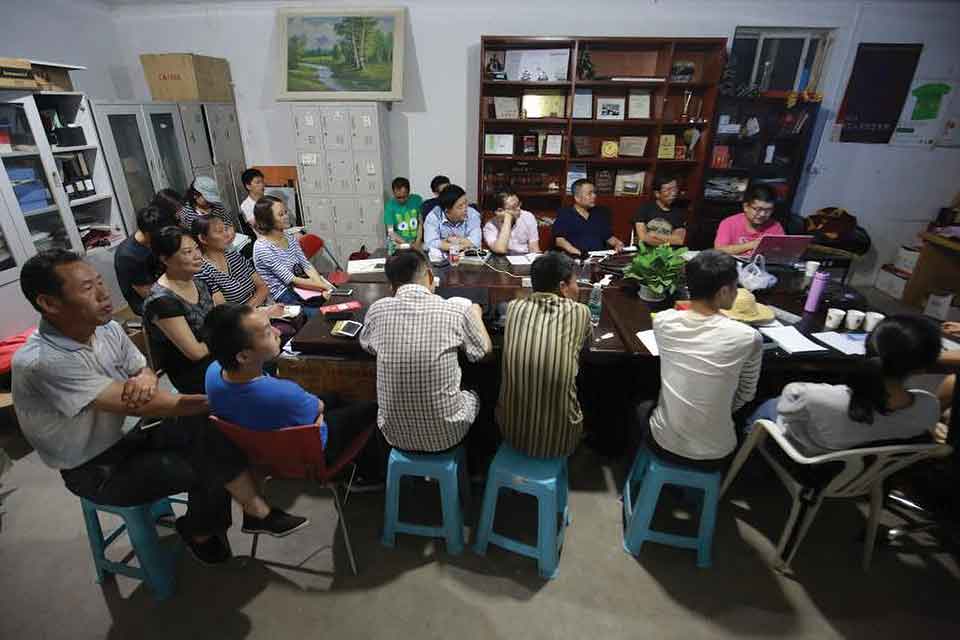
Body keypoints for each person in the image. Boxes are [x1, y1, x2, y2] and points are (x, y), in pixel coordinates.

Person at [11, 250, 308, 566]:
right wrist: (229, 398)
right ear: (49, 303)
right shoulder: (43, 361)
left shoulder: (106, 328)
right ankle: (198, 531)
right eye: (87, 288)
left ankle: (255, 512)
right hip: (95, 465)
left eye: (99, 281)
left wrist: (145, 376)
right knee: (203, 465)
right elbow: (142, 404)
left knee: (218, 430)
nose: (103, 293)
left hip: (133, 434)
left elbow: (142, 369)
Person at [203, 304, 386, 486]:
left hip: (261, 447)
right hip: (313, 451)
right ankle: (368, 475)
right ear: (243, 357)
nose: (278, 332)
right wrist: (317, 414)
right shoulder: (283, 393)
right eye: (267, 332)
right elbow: (319, 408)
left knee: (334, 396)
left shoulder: (212, 373)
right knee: (372, 408)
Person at [359, 249, 492, 453]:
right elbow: (483, 353)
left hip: (393, 434)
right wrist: (476, 314)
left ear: (391, 287)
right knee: (478, 387)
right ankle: (479, 461)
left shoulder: (377, 310)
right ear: (430, 276)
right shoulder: (457, 310)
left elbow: (367, 344)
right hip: (448, 434)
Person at [749, 315, 944, 454]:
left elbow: (786, 411)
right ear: (923, 368)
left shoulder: (809, 395)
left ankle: (747, 447)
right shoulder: (929, 406)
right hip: (862, 472)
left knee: (769, 405)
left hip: (808, 455)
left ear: (868, 345)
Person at [640, 250, 762, 468]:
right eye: (736, 287)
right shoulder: (747, 337)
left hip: (664, 442)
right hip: (716, 452)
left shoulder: (663, 321)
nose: (737, 292)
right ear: (723, 291)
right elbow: (746, 393)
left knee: (643, 407)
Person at [497, 252, 591, 457]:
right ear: (563, 287)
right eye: (576, 282)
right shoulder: (581, 312)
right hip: (560, 442)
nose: (578, 288)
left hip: (510, 433)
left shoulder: (513, 308)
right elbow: (586, 343)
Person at [143, 227, 225, 394]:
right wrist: (228, 336)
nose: (197, 255)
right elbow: (196, 353)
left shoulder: (198, 281)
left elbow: (221, 317)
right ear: (165, 259)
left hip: (216, 351)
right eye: (188, 252)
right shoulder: (161, 301)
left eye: (196, 248)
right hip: (192, 371)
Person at [252, 195, 333, 308]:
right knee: (321, 310)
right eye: (281, 214)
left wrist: (321, 285)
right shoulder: (262, 248)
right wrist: (322, 287)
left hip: (300, 286)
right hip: (283, 294)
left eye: (286, 212)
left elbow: (306, 264)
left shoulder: (289, 237)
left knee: (332, 299)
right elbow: (291, 279)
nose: (286, 216)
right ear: (267, 220)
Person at [193, 215, 276, 309]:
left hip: (261, 308)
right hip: (239, 316)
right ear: (202, 238)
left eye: (225, 229)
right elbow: (223, 310)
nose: (227, 234)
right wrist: (248, 312)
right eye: (219, 231)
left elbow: (263, 286)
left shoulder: (234, 255)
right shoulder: (203, 271)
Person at [114, 204, 177, 315]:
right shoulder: (128, 256)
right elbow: (147, 293)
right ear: (148, 234)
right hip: (149, 301)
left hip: (167, 284)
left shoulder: (154, 240)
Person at [553, 179, 625, 257]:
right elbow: (560, 241)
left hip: (599, 257)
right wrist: (579, 254)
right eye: (589, 193)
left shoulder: (600, 213)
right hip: (575, 258)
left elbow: (608, 237)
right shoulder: (565, 214)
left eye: (594, 192)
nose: (594, 196)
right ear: (577, 198)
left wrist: (618, 244)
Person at [714, 185, 785, 256]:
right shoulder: (729, 223)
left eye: (768, 210)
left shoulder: (775, 226)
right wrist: (751, 245)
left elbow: (782, 251)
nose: (762, 214)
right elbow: (719, 250)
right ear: (746, 207)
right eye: (758, 209)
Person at [422, 184, 483, 261]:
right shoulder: (433, 216)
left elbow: (476, 242)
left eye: (466, 203)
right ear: (447, 211)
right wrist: (461, 245)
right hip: (441, 261)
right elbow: (429, 244)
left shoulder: (472, 214)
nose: (465, 209)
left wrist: (450, 241)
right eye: (460, 206)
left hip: (467, 260)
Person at [483, 191, 542, 256]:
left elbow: (534, 248)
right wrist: (508, 218)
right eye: (514, 207)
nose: (519, 209)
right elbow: (500, 249)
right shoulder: (490, 226)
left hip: (525, 257)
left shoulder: (528, 216)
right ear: (500, 211)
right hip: (503, 259)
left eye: (519, 204)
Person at [633, 175, 686, 246]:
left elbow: (679, 240)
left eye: (675, 189)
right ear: (657, 194)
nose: (673, 193)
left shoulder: (679, 212)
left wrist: (654, 235)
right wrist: (669, 240)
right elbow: (643, 238)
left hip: (668, 251)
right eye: (668, 190)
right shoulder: (644, 209)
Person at [384, 176, 423, 252]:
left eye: (404, 197)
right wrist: (408, 244)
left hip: (416, 241)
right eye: (398, 197)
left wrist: (418, 242)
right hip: (400, 242)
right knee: (392, 247)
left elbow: (421, 224)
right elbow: (391, 232)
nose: (401, 200)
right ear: (393, 193)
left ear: (409, 192)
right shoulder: (390, 206)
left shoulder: (417, 200)